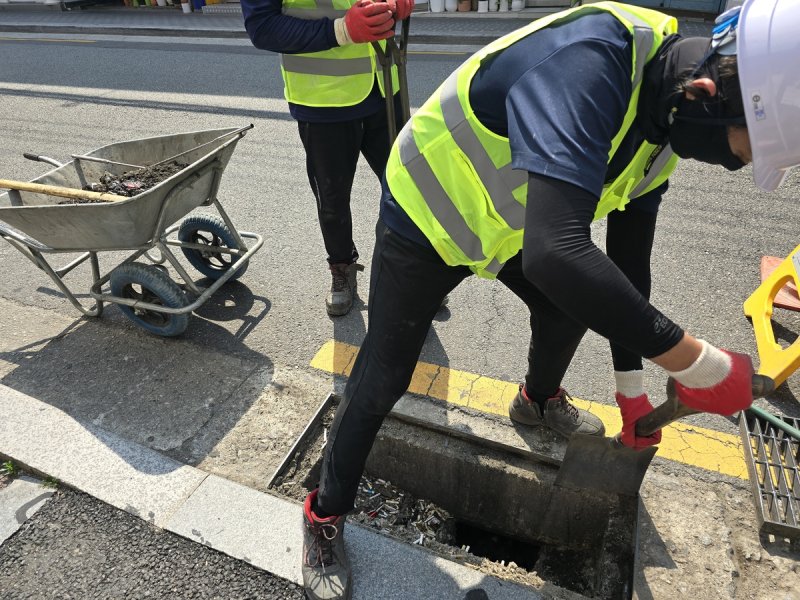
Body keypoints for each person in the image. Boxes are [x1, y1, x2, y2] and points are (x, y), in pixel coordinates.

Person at [299, 1, 800, 599]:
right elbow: (556, 252)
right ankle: (323, 513)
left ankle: (535, 401)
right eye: (744, 152)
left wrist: (633, 393)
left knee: (566, 307)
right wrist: (701, 365)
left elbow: (627, 266)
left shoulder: (664, 124)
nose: (736, 167)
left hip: (511, 225)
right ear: (706, 94)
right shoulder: (588, 67)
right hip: (431, 214)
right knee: (384, 376)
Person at [241, 0, 413, 317]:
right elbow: (262, 27)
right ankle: (341, 268)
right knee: (333, 201)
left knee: (409, 193)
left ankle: (415, 275)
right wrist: (342, 30)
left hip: (386, 86)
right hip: (323, 102)